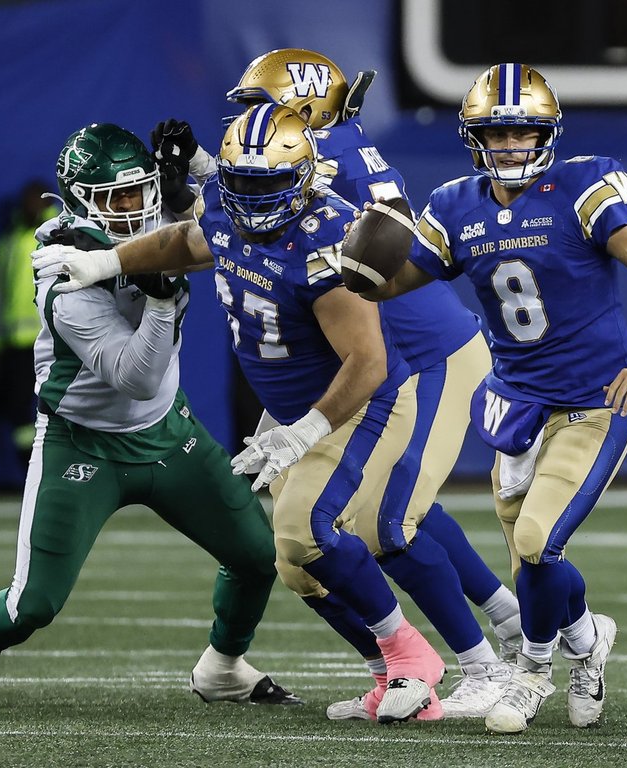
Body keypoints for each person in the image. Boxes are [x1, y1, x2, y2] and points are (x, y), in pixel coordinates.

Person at [31, 105, 451, 724]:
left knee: (305, 530)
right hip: (297, 409)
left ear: (303, 177)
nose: (252, 200)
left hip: (357, 405)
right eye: (243, 183)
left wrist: (303, 432)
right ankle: (391, 679)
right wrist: (106, 262)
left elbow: (368, 363)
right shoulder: (227, 211)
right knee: (295, 566)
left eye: (268, 184)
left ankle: (414, 658)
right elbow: (186, 240)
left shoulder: (326, 240)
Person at [0, 123, 300, 710]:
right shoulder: (61, 266)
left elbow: (241, 227)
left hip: (167, 432)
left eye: (140, 190)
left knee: (256, 555)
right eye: (116, 198)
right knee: (33, 605)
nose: (134, 207)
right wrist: (161, 298)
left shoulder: (156, 217)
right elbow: (135, 376)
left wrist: (191, 180)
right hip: (83, 443)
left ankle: (222, 668)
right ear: (80, 200)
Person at [347, 63, 627, 734]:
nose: (510, 145)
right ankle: (587, 640)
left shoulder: (584, 187)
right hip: (515, 403)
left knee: (537, 543)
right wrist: (358, 252)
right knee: (533, 562)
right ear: (474, 137)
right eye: (496, 132)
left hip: (593, 401)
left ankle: (532, 672)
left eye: (522, 132)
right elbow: (385, 284)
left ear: (546, 134)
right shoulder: (455, 204)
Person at [223, 48, 522, 720]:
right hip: (378, 358)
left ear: (302, 112)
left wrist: (201, 174)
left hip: (423, 353)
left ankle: (483, 668)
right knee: (368, 522)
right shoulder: (329, 151)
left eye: (262, 109)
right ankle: (507, 621)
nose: (248, 125)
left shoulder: (324, 156)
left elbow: (263, 194)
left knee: (388, 524)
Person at [0, 180, 58, 474]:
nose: (31, 204)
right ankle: (31, 471)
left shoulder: (61, 234)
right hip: (15, 342)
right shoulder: (9, 241)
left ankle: (61, 470)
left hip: (56, 338)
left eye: (37, 198)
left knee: (62, 405)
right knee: (16, 408)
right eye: (27, 199)